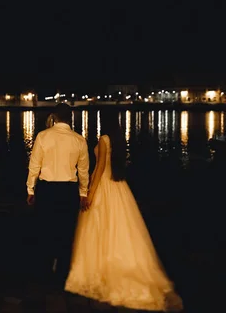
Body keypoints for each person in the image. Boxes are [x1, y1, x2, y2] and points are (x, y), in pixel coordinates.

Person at [64, 115, 184, 311]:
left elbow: (100, 168)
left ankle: (103, 268)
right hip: (118, 186)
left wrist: (89, 194)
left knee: (101, 226)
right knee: (119, 227)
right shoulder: (117, 141)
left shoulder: (104, 139)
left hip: (104, 187)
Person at [26, 103, 90, 288]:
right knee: (66, 231)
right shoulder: (79, 140)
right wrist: (83, 193)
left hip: (47, 189)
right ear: (70, 117)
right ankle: (62, 273)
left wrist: (31, 189)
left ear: (54, 116)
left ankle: (45, 272)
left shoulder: (43, 136)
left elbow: (34, 165)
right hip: (68, 190)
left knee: (45, 229)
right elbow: (83, 171)